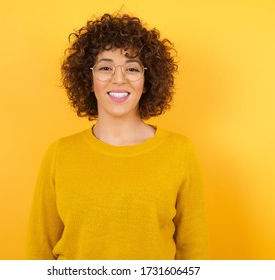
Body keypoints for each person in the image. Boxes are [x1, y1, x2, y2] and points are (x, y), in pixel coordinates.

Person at [26, 13, 209, 260]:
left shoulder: (179, 151)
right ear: (88, 80)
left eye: (132, 68)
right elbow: (39, 250)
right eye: (105, 67)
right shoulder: (60, 153)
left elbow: (194, 251)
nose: (119, 78)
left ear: (147, 81)